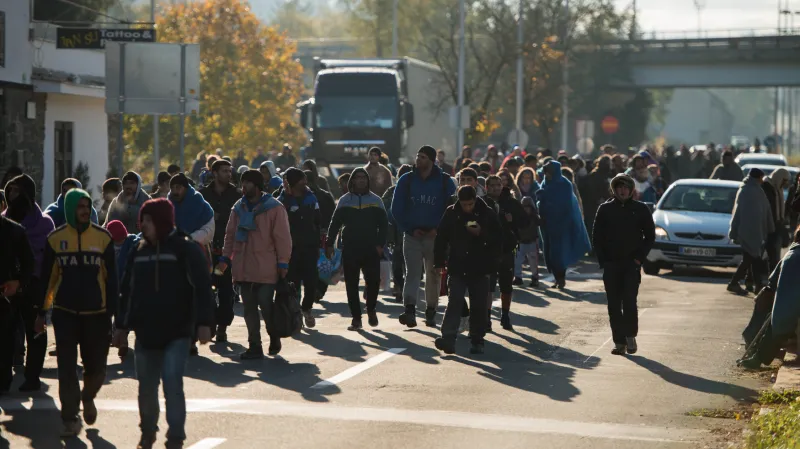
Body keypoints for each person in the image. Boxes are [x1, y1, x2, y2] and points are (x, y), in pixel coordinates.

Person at [113, 199, 215, 449]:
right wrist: (121, 326)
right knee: (146, 389)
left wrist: (204, 323)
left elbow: (203, 287)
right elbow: (127, 291)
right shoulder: (138, 250)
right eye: (142, 221)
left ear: (160, 221)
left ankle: (176, 438)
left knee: (171, 381)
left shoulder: (185, 249)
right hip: (146, 334)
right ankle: (147, 433)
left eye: (147, 221)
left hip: (178, 332)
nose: (142, 225)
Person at [35, 188, 118, 437]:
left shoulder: (103, 238)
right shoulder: (55, 239)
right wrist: (42, 312)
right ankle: (70, 418)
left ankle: (88, 396)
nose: (84, 211)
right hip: (65, 315)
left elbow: (112, 280)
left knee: (97, 370)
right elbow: (48, 281)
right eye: (79, 207)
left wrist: (113, 317)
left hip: (97, 315)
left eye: (87, 206)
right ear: (71, 209)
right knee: (67, 368)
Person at [220, 170, 292, 359]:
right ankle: (255, 346)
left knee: (266, 305)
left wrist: (283, 263)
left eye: (248, 184)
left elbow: (283, 238)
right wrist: (225, 258)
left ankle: (274, 336)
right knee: (249, 309)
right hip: (243, 267)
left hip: (266, 267)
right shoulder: (238, 208)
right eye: (242, 184)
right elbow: (230, 235)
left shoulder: (274, 208)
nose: (243, 188)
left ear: (258, 186)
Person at [391, 145, 457, 327]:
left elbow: (453, 208)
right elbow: (396, 208)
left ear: (432, 160)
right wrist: (409, 228)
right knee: (412, 273)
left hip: (435, 237)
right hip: (412, 235)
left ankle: (431, 310)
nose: (418, 160)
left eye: (423, 157)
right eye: (418, 156)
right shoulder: (407, 180)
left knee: (433, 274)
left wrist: (439, 229)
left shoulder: (445, 181)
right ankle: (410, 310)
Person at [592, 174, 655, 355]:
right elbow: (597, 237)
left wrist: (638, 259)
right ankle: (618, 342)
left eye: (626, 187)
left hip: (631, 265)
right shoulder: (605, 209)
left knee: (629, 301)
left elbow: (650, 236)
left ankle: (630, 337)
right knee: (613, 304)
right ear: (614, 189)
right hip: (611, 264)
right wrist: (603, 260)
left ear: (631, 190)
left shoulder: (640, 209)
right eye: (619, 187)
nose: (623, 190)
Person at [433, 185, 501, 355]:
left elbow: (499, 238)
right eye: (464, 204)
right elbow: (441, 237)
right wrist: (439, 261)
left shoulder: (487, 213)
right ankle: (448, 338)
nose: (468, 208)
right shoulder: (452, 213)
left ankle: (477, 339)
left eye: (470, 204)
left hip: (480, 266)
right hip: (457, 265)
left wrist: (481, 233)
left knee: (478, 305)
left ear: (475, 200)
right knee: (454, 301)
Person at [2, 174, 54, 392]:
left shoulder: (43, 223)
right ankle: (4, 379)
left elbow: (47, 259)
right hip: (7, 285)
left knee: (36, 331)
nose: (12, 195)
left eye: (17, 190)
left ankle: (32, 377)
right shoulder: (5, 221)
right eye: (10, 190)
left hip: (34, 284)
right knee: (6, 332)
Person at [326, 168, 388, 330]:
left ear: (368, 181)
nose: (361, 180)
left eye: (364, 178)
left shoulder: (376, 200)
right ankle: (356, 318)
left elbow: (383, 225)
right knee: (351, 284)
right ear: (352, 181)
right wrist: (329, 243)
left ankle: (371, 309)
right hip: (350, 248)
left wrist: (380, 245)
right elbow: (335, 224)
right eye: (358, 178)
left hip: (371, 248)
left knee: (373, 282)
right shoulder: (345, 200)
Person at [199, 160, 241, 342]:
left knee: (225, 290)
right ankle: (211, 323)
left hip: (227, 251)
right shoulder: (203, 195)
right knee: (206, 289)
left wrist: (220, 217)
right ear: (214, 173)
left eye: (229, 171)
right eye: (224, 171)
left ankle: (223, 325)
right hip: (206, 252)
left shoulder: (236, 195)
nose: (228, 174)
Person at [536, 161, 591, 289]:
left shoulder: (564, 184)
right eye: (546, 172)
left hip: (562, 223)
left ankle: (561, 278)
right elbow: (542, 199)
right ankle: (556, 278)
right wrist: (541, 200)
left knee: (559, 252)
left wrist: (548, 200)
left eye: (549, 172)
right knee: (549, 252)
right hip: (547, 223)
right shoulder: (545, 182)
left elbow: (565, 203)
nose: (547, 175)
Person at [278, 168, 321, 328]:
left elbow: (318, 220)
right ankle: (296, 313)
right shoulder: (282, 201)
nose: (305, 182)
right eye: (301, 179)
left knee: (311, 281)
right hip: (290, 249)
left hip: (310, 247)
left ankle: (307, 308)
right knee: (293, 283)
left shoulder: (311, 198)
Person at [484, 175, 527, 329]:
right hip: (487, 251)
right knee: (488, 286)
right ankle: (487, 318)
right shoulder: (482, 203)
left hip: (506, 249)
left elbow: (525, 222)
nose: (496, 188)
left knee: (506, 286)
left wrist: (512, 220)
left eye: (499, 185)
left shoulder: (510, 202)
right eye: (493, 185)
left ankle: (505, 315)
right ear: (486, 187)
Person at [0, 206, 35, 397]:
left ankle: (3, 383)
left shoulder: (15, 231)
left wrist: (18, 282)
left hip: (5, 296)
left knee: (5, 341)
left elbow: (29, 263)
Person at [728, 168, 775, 295]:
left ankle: (757, 286)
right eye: (761, 177)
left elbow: (765, 211)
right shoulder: (747, 190)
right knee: (751, 258)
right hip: (748, 232)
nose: (762, 180)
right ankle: (734, 283)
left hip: (755, 231)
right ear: (757, 178)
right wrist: (734, 230)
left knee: (753, 259)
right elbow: (738, 213)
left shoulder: (755, 190)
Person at [382, 164, 414, 303]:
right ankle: (399, 287)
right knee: (398, 263)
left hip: (409, 234)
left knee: (407, 265)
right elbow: (384, 207)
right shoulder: (392, 191)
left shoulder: (415, 191)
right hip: (395, 234)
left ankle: (404, 289)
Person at [168, 173, 215, 248]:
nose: (175, 191)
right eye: (172, 188)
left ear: (185, 188)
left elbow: (207, 231)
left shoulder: (198, 202)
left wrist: (187, 239)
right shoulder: (169, 205)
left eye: (178, 187)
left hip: (199, 245)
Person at [764, 168, 790, 272]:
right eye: (784, 181)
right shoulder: (767, 186)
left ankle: (773, 275)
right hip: (768, 225)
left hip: (777, 225)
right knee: (769, 252)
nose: (784, 184)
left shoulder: (778, 188)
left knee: (775, 253)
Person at [514, 196, 541, 288]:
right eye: (524, 207)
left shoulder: (535, 218)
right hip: (520, 242)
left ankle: (535, 278)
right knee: (517, 261)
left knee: (533, 262)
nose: (526, 209)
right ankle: (518, 277)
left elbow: (541, 222)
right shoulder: (518, 218)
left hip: (532, 242)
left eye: (528, 207)